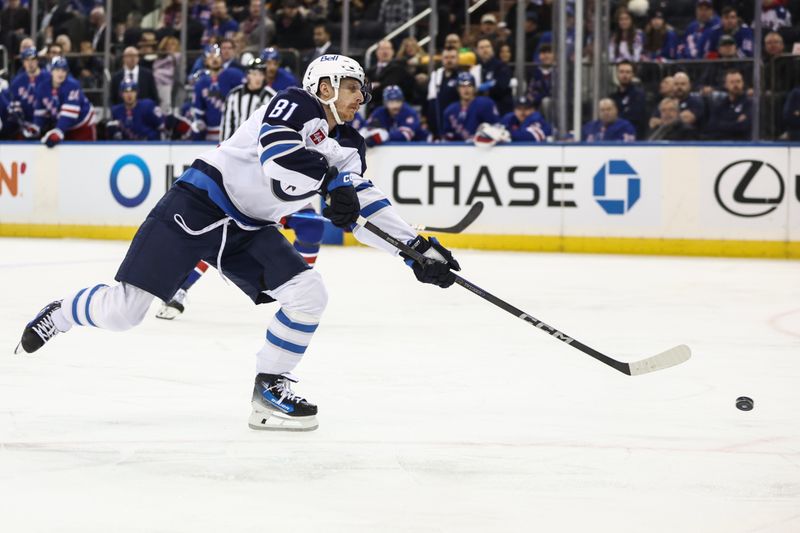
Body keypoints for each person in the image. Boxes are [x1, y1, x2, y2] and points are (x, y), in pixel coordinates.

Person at [15, 54, 460, 433]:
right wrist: (329, 183)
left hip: (247, 226)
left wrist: (414, 250)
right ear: (323, 84)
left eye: (361, 91)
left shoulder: (349, 145)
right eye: (351, 87)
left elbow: (363, 204)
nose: (359, 98)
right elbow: (279, 156)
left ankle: (269, 388)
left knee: (309, 293)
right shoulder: (295, 102)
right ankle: (63, 312)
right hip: (198, 204)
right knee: (124, 312)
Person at [33, 56, 96, 147]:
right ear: (51, 71)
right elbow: (41, 112)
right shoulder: (43, 87)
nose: (60, 73)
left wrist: (58, 131)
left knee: (86, 157)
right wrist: (36, 127)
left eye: (63, 70)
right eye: (57, 70)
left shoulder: (72, 85)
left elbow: (70, 114)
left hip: (83, 125)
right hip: (65, 128)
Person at [191, 44, 244, 140]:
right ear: (205, 61)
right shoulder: (201, 82)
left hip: (234, 131)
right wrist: (199, 123)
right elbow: (198, 110)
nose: (214, 59)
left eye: (217, 56)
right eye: (211, 57)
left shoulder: (234, 75)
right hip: (211, 132)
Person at [220, 57, 277, 141]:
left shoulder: (271, 96)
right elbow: (227, 122)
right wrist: (223, 144)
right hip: (236, 145)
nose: (258, 78)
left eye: (261, 74)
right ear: (248, 75)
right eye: (254, 74)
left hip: (258, 146)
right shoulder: (234, 94)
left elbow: (273, 124)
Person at [360, 85, 428, 146]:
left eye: (398, 101)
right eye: (391, 102)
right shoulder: (379, 112)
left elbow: (405, 136)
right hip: (391, 149)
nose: (395, 105)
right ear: (385, 103)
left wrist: (384, 135)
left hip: (419, 146)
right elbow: (366, 128)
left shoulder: (409, 113)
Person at [441, 72, 500, 142]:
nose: (466, 89)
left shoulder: (486, 104)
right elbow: (447, 136)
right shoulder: (450, 111)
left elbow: (496, 128)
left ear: (474, 88)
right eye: (462, 86)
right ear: (457, 89)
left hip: (483, 149)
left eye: (469, 85)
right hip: (458, 150)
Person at [8, 46, 50, 139]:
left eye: (33, 60)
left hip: (47, 125)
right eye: (27, 60)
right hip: (25, 127)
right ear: (23, 62)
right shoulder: (17, 81)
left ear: (37, 61)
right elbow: (14, 103)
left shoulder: (48, 77)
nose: (30, 63)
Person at [366, 40, 414, 112]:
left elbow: (388, 85)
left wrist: (377, 86)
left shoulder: (399, 69)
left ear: (392, 51)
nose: (385, 52)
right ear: (377, 52)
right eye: (382, 49)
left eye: (388, 49)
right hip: (371, 109)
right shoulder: (370, 71)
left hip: (394, 110)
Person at [705, 69, 752, 141]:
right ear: (725, 85)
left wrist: (724, 123)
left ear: (743, 83)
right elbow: (712, 126)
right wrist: (736, 122)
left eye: (738, 81)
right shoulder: (721, 104)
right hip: (723, 144)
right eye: (732, 82)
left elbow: (744, 127)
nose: (736, 85)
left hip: (744, 145)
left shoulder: (749, 103)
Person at [426, 46, 461, 139]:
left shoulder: (462, 77)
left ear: (458, 59)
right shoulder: (436, 76)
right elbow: (431, 101)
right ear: (442, 59)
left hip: (458, 124)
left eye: (452, 57)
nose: (449, 60)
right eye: (446, 57)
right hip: (438, 124)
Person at [473, 38, 513, 116]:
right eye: (481, 47)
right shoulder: (476, 69)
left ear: (492, 49)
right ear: (477, 51)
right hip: (481, 108)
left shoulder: (501, 66)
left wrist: (485, 88)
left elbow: (501, 86)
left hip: (500, 107)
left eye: (487, 46)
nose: (485, 50)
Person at [610, 60, 646, 139]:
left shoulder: (638, 95)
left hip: (633, 138)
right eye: (621, 72)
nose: (624, 75)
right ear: (617, 74)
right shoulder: (613, 97)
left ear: (633, 74)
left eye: (628, 72)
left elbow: (635, 117)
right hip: (614, 137)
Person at [525, 43, 555, 120]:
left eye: (549, 53)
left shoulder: (559, 72)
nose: (546, 56)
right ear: (539, 56)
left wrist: (542, 95)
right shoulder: (533, 72)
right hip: (536, 104)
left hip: (555, 105)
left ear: (554, 55)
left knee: (546, 101)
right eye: (543, 53)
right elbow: (530, 91)